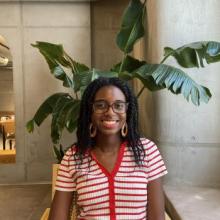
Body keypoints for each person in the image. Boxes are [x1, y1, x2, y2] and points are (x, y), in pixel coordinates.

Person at [49, 77, 168, 220]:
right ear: (90, 111)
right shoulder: (74, 156)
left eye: (118, 105)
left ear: (127, 111)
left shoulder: (147, 151)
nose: (110, 112)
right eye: (100, 105)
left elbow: (157, 217)